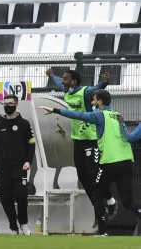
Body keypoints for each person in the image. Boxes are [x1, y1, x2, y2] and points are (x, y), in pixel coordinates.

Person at [38, 89, 141, 236]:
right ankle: (116, 211)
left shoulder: (99, 114)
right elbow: (112, 131)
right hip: (127, 162)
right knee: (127, 200)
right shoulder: (116, 115)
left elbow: (77, 114)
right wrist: (88, 120)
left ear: (99, 101)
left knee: (96, 193)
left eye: (93, 100)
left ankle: (102, 230)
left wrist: (55, 110)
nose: (92, 103)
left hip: (110, 162)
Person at [45, 69, 117, 226]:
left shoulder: (85, 93)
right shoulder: (66, 92)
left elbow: (95, 88)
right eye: (62, 79)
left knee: (93, 175)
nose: (62, 82)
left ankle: (111, 201)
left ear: (74, 81)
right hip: (77, 140)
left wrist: (104, 82)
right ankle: (100, 210)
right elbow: (58, 82)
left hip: (91, 139)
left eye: (66, 79)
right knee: (83, 178)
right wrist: (51, 76)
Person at [0, 94, 35, 235]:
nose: (7, 106)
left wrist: (28, 161)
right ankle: (13, 227)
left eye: (10, 104)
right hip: (3, 166)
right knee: (5, 197)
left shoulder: (24, 124)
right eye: (5, 104)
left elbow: (31, 144)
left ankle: (23, 223)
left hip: (20, 166)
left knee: (21, 196)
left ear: (16, 104)